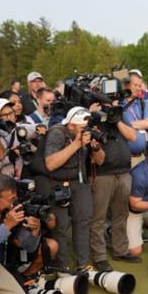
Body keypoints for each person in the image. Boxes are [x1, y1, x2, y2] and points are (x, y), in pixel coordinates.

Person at [36, 106, 104, 271]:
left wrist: (95, 147)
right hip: (55, 182)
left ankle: (83, 264)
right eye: (81, 128)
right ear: (71, 125)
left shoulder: (84, 134)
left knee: (84, 219)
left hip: (78, 181)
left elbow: (100, 161)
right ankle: (63, 266)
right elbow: (50, 164)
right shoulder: (57, 133)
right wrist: (76, 144)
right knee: (60, 225)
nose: (84, 131)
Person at [89, 105, 137, 271]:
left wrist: (116, 120)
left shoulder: (118, 117)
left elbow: (132, 136)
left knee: (121, 215)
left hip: (123, 172)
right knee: (98, 218)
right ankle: (99, 256)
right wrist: (91, 114)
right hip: (102, 175)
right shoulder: (93, 118)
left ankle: (120, 250)